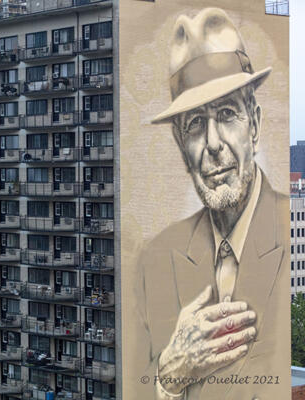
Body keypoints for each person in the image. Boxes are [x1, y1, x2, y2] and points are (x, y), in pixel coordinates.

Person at [132, 7, 289, 399]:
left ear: (254, 123)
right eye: (196, 125)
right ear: (181, 147)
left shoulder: (291, 234)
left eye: (226, 114)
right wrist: (168, 377)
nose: (213, 145)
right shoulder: (155, 260)